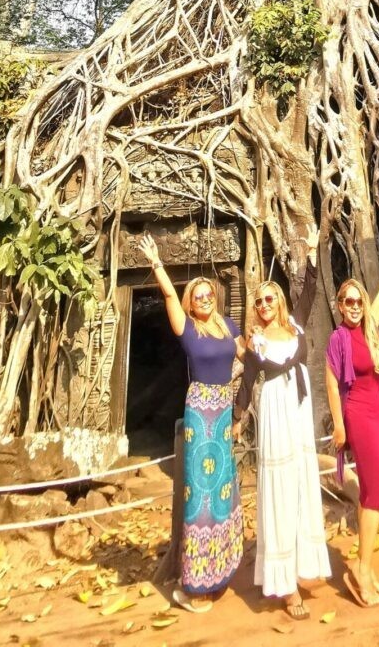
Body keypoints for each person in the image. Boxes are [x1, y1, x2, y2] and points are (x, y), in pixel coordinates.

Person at [139, 233, 244, 614]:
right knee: (199, 494)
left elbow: (249, 354)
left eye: (208, 295)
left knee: (222, 491)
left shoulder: (230, 328)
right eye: (197, 296)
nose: (203, 300)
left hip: (224, 409)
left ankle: (221, 569)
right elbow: (169, 296)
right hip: (201, 411)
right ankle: (196, 583)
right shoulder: (189, 331)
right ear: (190, 303)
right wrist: (157, 264)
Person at [234, 224, 331, 619]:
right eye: (259, 302)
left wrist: (310, 250)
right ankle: (284, 585)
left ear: (280, 302)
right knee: (276, 485)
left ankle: (303, 566)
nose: (265, 305)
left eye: (270, 298)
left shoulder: (298, 325)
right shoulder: (255, 343)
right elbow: (247, 383)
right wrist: (238, 418)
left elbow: (310, 289)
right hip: (274, 409)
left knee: (301, 483)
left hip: (298, 410)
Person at [325, 239, 379, 608]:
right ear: (339, 306)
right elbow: (330, 381)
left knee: (373, 493)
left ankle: (367, 566)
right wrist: (340, 426)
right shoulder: (338, 338)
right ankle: (361, 569)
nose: (356, 307)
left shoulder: (369, 328)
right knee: (376, 492)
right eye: (349, 302)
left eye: (359, 301)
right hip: (358, 415)